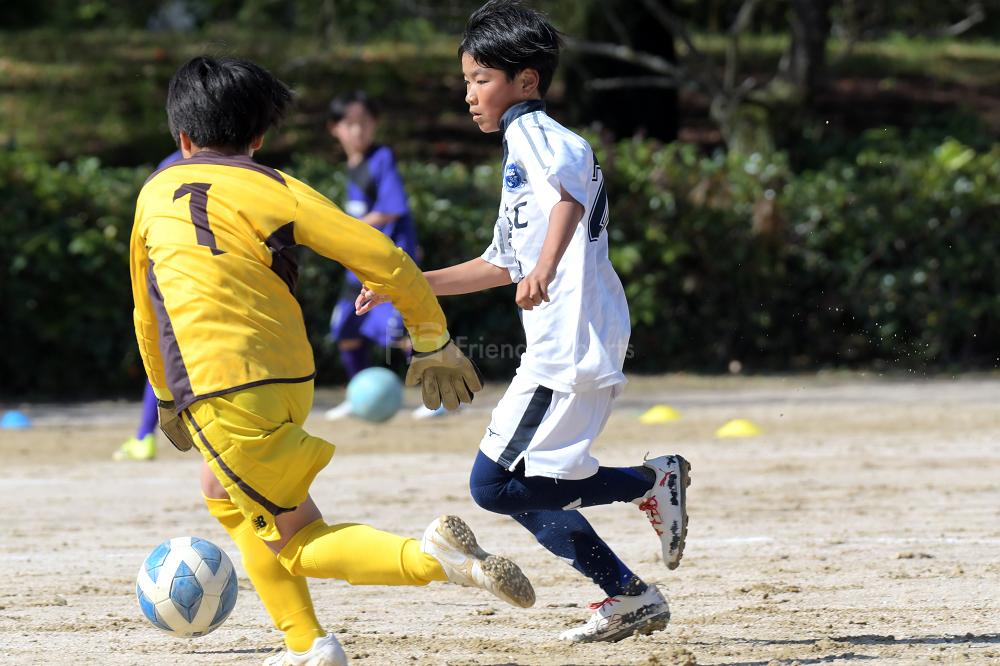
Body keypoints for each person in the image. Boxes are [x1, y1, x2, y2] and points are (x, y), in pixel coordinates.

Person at [131, 56, 533, 666]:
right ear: (259, 139)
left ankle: (434, 559)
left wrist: (165, 398)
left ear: (183, 139)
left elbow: (145, 312)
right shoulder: (275, 185)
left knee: (295, 540)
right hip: (291, 375)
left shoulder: (154, 193)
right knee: (222, 492)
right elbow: (386, 258)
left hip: (219, 385)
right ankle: (307, 644)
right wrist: (431, 337)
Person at [357, 0, 691, 643]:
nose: (470, 95)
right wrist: (410, 285)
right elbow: (497, 264)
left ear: (526, 82)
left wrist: (543, 267)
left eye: (480, 80)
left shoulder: (538, 136)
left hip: (571, 337)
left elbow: (567, 200)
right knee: (528, 486)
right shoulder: (518, 158)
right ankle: (628, 593)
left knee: (494, 485)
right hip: (568, 336)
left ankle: (651, 483)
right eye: (465, 82)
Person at [321, 91, 443, 420]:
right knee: (346, 330)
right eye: (350, 124)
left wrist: (343, 230)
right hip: (358, 266)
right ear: (335, 128)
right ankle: (356, 394)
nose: (358, 131)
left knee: (402, 332)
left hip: (386, 265)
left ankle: (438, 396)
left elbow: (390, 210)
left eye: (365, 123)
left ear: (375, 124)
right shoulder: (352, 166)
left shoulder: (381, 158)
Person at [113, 150, 183, 462]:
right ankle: (145, 435)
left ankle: (145, 436)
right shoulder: (241, 165)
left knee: (163, 354)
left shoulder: (168, 167)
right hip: (221, 278)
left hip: (173, 276)